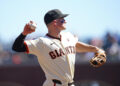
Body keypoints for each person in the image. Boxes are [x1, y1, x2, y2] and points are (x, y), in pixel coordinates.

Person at [12, 9, 104, 86]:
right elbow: (16, 47)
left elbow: (75, 45)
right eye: (62, 20)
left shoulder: (68, 36)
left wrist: (95, 49)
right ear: (55, 23)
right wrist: (24, 33)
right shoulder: (42, 42)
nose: (66, 21)